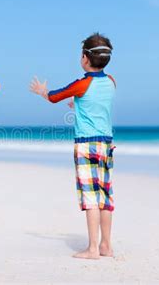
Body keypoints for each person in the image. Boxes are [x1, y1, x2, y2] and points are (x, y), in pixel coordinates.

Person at [30, 33, 116, 259]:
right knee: (105, 196)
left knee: (90, 197)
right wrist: (78, 105)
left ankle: (93, 249)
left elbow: (54, 97)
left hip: (86, 145)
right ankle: (106, 245)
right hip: (106, 144)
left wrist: (41, 91)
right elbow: (95, 106)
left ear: (85, 58)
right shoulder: (111, 82)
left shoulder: (82, 83)